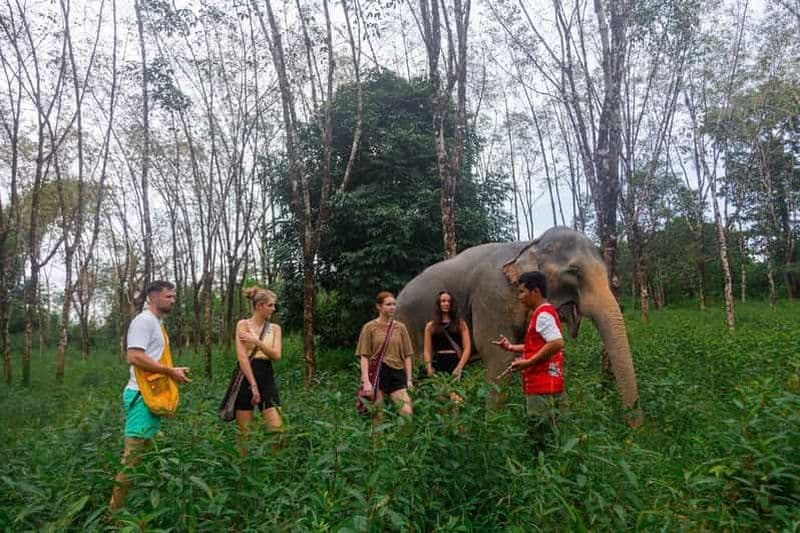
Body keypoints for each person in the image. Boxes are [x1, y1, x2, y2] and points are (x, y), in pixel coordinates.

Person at [109, 280, 191, 512]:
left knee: (152, 453)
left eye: (173, 296)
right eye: (168, 296)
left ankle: (148, 504)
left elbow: (152, 358)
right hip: (140, 398)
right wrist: (168, 371)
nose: (172, 300)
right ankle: (114, 514)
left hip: (150, 396)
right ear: (153, 297)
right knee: (131, 459)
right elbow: (134, 356)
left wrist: (171, 374)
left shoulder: (157, 323)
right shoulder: (144, 321)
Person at [494, 271, 565, 449]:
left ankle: (542, 470)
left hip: (542, 386)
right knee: (549, 433)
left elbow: (556, 343)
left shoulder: (542, 315)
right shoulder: (543, 312)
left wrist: (528, 362)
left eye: (522, 292)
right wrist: (511, 347)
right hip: (547, 384)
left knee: (541, 437)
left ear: (535, 292)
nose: (520, 297)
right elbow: (539, 345)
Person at [234, 286, 283, 456]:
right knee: (244, 434)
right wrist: (253, 385)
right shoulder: (243, 324)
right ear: (260, 306)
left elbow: (276, 355)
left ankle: (276, 468)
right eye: (270, 305)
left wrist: (257, 341)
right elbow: (242, 357)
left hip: (266, 374)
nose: (273, 308)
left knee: (278, 431)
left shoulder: (275, 328)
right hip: (245, 376)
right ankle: (243, 470)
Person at [356, 291, 415, 422]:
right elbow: (364, 356)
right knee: (378, 415)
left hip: (397, 372)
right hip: (378, 372)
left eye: (394, 304)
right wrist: (366, 381)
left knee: (407, 413)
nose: (392, 307)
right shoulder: (369, 327)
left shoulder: (400, 328)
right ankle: (378, 442)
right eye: (388, 304)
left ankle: (404, 442)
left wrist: (409, 379)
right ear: (379, 307)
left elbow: (407, 356)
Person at [423, 291, 471, 380]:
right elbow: (427, 350)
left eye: (449, 301)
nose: (446, 303)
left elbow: (467, 348)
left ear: (452, 304)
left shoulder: (460, 324)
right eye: (443, 301)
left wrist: (459, 367)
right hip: (437, 362)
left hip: (455, 363)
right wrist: (429, 368)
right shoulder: (431, 326)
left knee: (456, 393)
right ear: (439, 304)